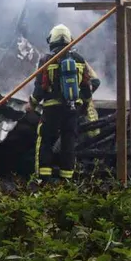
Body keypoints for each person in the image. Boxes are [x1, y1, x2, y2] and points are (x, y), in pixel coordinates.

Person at [26, 24, 94, 182]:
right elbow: (86, 88)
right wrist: (83, 106)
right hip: (72, 109)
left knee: (45, 140)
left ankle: (43, 178)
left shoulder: (46, 60)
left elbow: (39, 88)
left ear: (52, 40)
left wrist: (32, 104)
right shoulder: (79, 60)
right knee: (68, 142)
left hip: (51, 109)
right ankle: (67, 179)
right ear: (70, 39)